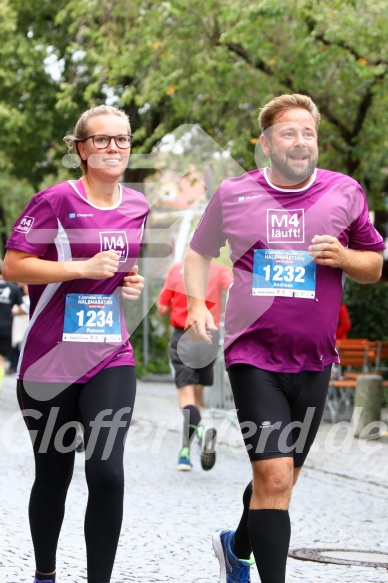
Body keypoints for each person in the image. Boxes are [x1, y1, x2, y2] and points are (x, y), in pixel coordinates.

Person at [183, 94, 384, 583]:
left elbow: (374, 266)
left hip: (315, 359)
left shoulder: (345, 193)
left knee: (282, 476)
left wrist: (343, 255)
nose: (300, 141)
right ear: (267, 143)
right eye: (288, 133)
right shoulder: (234, 193)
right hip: (252, 353)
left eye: (308, 133)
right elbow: (197, 252)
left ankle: (235, 545)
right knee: (273, 476)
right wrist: (195, 306)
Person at [2, 105, 149, 583]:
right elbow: (14, 265)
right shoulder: (54, 201)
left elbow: (122, 269)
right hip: (49, 359)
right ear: (82, 150)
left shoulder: (138, 207)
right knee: (53, 474)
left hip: (110, 355)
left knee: (107, 473)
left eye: (122, 139)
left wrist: (131, 283)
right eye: (102, 140)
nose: (114, 148)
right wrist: (78, 270)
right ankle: (45, 574)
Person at [157, 260, 233, 471]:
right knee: (195, 403)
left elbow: (163, 308)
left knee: (186, 400)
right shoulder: (219, 270)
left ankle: (201, 434)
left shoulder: (175, 270)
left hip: (184, 335)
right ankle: (185, 453)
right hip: (209, 337)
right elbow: (235, 290)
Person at [0, 261, 23, 392]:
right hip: (6, 327)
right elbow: (22, 306)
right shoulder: (13, 288)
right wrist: (12, 312)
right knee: (1, 360)